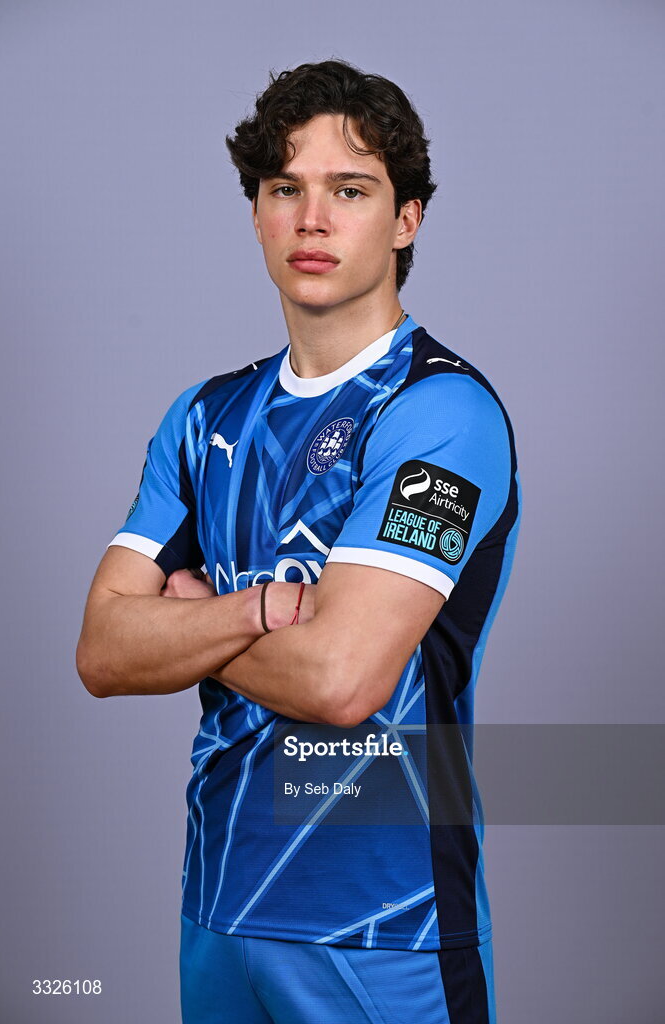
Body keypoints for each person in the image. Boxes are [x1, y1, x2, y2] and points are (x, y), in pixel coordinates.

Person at [76, 58, 521, 1024]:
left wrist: (190, 618)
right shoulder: (203, 417)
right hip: (220, 909)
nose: (311, 220)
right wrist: (265, 609)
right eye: (286, 189)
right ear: (257, 213)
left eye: (349, 191)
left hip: (382, 930)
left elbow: (341, 684)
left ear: (405, 220)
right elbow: (103, 652)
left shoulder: (442, 413)